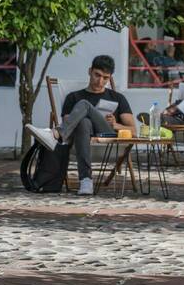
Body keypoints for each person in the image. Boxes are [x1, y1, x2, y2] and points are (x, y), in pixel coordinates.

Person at [26, 55, 136, 195]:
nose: (100, 81)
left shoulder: (117, 98)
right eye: (97, 75)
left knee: (84, 105)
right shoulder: (73, 97)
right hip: (81, 138)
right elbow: (69, 124)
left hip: (108, 136)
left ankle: (55, 134)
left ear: (110, 78)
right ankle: (86, 181)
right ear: (90, 71)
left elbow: (133, 130)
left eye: (105, 78)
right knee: (83, 122)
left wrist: (115, 125)